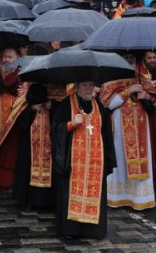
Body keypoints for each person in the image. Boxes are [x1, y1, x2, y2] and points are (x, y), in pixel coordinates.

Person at [99, 69, 156, 210]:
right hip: (119, 131)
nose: (129, 61)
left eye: (131, 58)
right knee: (119, 162)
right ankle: (118, 197)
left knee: (142, 163)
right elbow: (108, 105)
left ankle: (140, 198)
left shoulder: (144, 81)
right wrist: (128, 90)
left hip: (141, 129)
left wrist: (148, 97)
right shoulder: (110, 83)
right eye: (126, 58)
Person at [52, 81, 116, 238]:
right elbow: (55, 129)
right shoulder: (67, 104)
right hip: (73, 163)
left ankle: (93, 231)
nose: (89, 88)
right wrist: (71, 124)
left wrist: (108, 158)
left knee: (95, 193)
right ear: (77, 87)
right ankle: (71, 230)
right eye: (85, 85)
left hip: (96, 161)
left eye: (91, 85)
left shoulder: (99, 106)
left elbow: (107, 132)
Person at [0, 83, 54, 210]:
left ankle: (45, 202)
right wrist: (32, 108)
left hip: (47, 145)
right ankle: (27, 200)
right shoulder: (25, 96)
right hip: (28, 145)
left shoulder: (56, 95)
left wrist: (52, 106)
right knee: (27, 171)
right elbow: (21, 123)